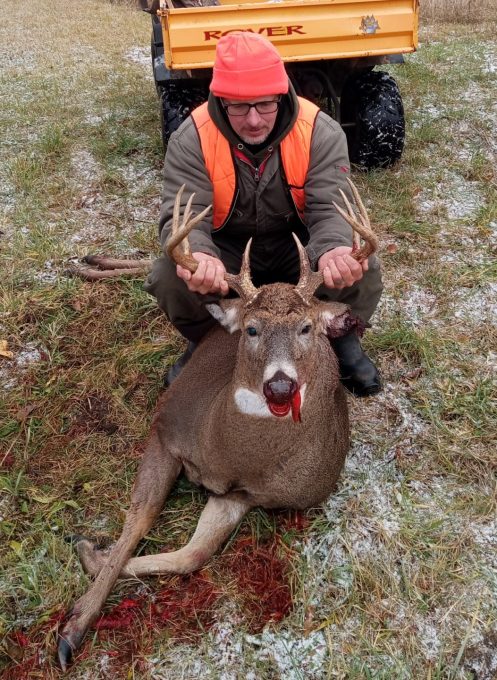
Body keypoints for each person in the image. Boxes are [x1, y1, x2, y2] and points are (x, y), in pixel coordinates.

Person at [144, 32, 383, 397]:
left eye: (265, 104)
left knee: (362, 267)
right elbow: (184, 213)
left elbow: (330, 206)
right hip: (229, 253)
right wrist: (200, 255)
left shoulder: (319, 131)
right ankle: (210, 342)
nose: (254, 120)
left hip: (298, 249)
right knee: (169, 275)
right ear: (220, 100)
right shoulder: (193, 137)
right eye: (239, 107)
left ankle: (341, 339)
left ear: (281, 94)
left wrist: (333, 248)